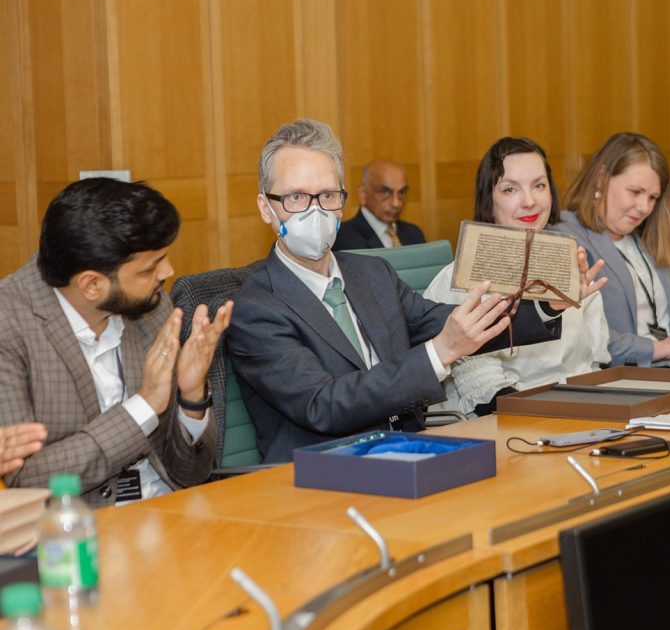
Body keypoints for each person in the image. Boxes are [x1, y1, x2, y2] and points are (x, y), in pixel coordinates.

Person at [228, 119, 600, 462]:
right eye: (296, 198)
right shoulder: (256, 307)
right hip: (322, 474)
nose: (315, 211)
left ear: (343, 202)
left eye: (327, 196)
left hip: (414, 453)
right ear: (266, 208)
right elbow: (324, 404)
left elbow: (453, 322)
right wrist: (440, 352)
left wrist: (547, 305)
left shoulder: (372, 273)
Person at [0, 178, 232, 506]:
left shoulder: (151, 307)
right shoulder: (8, 325)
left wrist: (192, 397)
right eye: (150, 268)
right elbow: (28, 481)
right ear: (91, 285)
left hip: (170, 513)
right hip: (79, 530)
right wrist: (145, 405)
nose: (168, 272)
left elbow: (191, 472)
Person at [424, 137, 611, 416]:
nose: (530, 201)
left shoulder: (574, 265)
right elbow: (481, 385)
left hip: (582, 409)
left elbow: (595, 361)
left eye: (539, 185)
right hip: (507, 419)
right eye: (510, 189)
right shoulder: (464, 278)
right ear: (489, 201)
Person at [556, 132, 670, 368]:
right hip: (614, 385)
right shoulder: (566, 237)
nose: (644, 208)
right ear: (602, 178)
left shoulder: (651, 240)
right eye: (635, 192)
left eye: (653, 197)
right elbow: (582, 337)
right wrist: (659, 349)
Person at [332, 159, 426, 250]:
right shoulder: (341, 238)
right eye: (385, 192)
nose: (396, 203)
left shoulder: (414, 234)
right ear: (363, 194)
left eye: (401, 192)